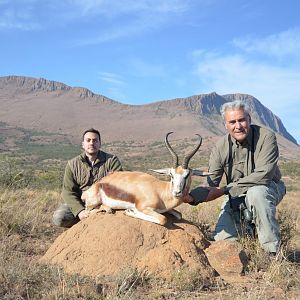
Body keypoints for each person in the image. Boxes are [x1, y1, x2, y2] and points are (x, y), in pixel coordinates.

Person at [189, 100, 286, 255]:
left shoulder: (266, 137)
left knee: (257, 193)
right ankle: (249, 234)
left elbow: (264, 175)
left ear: (249, 119)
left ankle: (271, 253)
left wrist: (226, 189)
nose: (238, 126)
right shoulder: (220, 146)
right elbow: (210, 182)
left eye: (241, 120)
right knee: (221, 241)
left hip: (269, 187)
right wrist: (189, 197)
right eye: (232, 122)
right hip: (235, 195)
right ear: (225, 125)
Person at [53, 128, 122, 228]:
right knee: (59, 218)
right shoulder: (72, 164)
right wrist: (80, 211)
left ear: (100, 143)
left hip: (105, 202)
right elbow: (67, 192)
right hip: (81, 203)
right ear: (83, 144)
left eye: (95, 140)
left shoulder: (112, 161)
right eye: (88, 140)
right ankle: (83, 228)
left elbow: (119, 185)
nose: (91, 143)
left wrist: (95, 192)